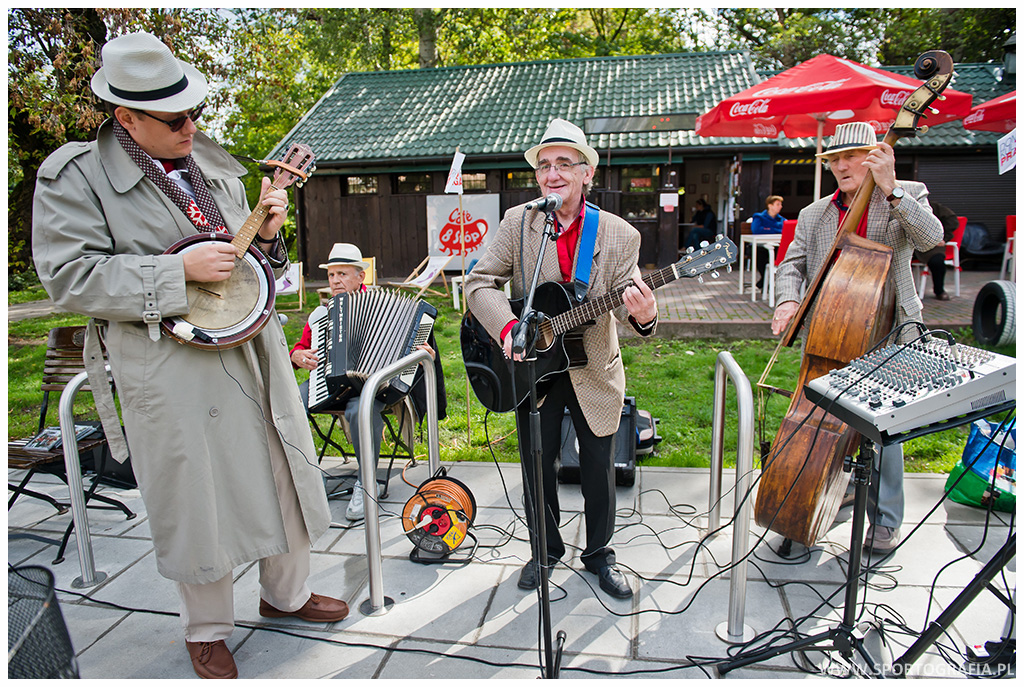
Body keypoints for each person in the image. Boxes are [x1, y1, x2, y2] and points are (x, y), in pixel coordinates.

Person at [31, 33, 348, 680]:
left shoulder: (214, 162)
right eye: (174, 118)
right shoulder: (75, 177)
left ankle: (285, 594)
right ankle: (206, 628)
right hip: (169, 361)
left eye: (192, 110)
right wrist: (173, 274)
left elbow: (255, 265)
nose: (190, 125)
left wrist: (267, 233)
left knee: (283, 466)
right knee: (198, 494)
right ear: (126, 117)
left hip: (253, 347)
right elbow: (68, 276)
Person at [463, 118, 658, 600]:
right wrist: (509, 327)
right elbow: (478, 283)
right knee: (537, 461)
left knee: (599, 467)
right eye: (544, 165)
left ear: (587, 172)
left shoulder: (620, 234)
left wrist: (647, 315)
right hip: (533, 367)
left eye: (564, 164)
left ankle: (599, 554)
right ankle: (546, 550)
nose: (552, 174)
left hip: (594, 367)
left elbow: (634, 306)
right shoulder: (520, 222)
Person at [771, 122, 942, 555]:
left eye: (852, 157)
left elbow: (931, 239)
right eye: (834, 160)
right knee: (820, 422)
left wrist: (891, 189)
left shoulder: (907, 193)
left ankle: (884, 520)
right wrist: (787, 302)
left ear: (875, 157)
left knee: (884, 427)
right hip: (830, 329)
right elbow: (791, 265)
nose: (842, 166)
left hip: (890, 328)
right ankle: (813, 497)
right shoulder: (814, 214)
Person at [291, 242, 446, 521]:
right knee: (288, 403)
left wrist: (422, 352)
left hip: (376, 386)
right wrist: (299, 355)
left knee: (358, 408)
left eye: (343, 274)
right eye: (331, 275)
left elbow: (417, 345)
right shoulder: (321, 314)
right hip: (325, 382)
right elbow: (299, 349)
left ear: (360, 276)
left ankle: (366, 481)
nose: (336, 280)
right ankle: (301, 476)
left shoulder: (388, 305)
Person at [913, 201, 959, 301]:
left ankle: (939, 291)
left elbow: (952, 220)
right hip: (908, 244)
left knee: (937, 261)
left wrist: (944, 237)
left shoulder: (932, 206)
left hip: (931, 245)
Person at [750, 195, 786, 290]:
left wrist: (768, 229)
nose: (780, 206)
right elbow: (757, 230)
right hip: (760, 247)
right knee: (759, 254)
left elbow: (786, 230)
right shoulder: (759, 217)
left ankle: (763, 283)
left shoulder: (782, 219)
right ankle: (764, 282)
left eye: (781, 204)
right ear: (770, 205)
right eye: (778, 204)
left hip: (776, 247)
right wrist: (776, 229)